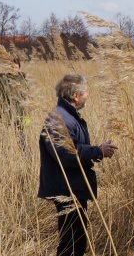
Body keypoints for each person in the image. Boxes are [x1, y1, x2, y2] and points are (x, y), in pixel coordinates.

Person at [38, 73, 117, 256]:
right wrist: (97, 151)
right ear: (75, 96)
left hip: (73, 187)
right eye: (86, 91)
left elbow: (74, 147)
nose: (88, 95)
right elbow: (66, 154)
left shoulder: (67, 116)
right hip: (66, 189)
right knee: (69, 241)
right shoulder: (59, 119)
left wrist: (96, 151)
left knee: (78, 238)